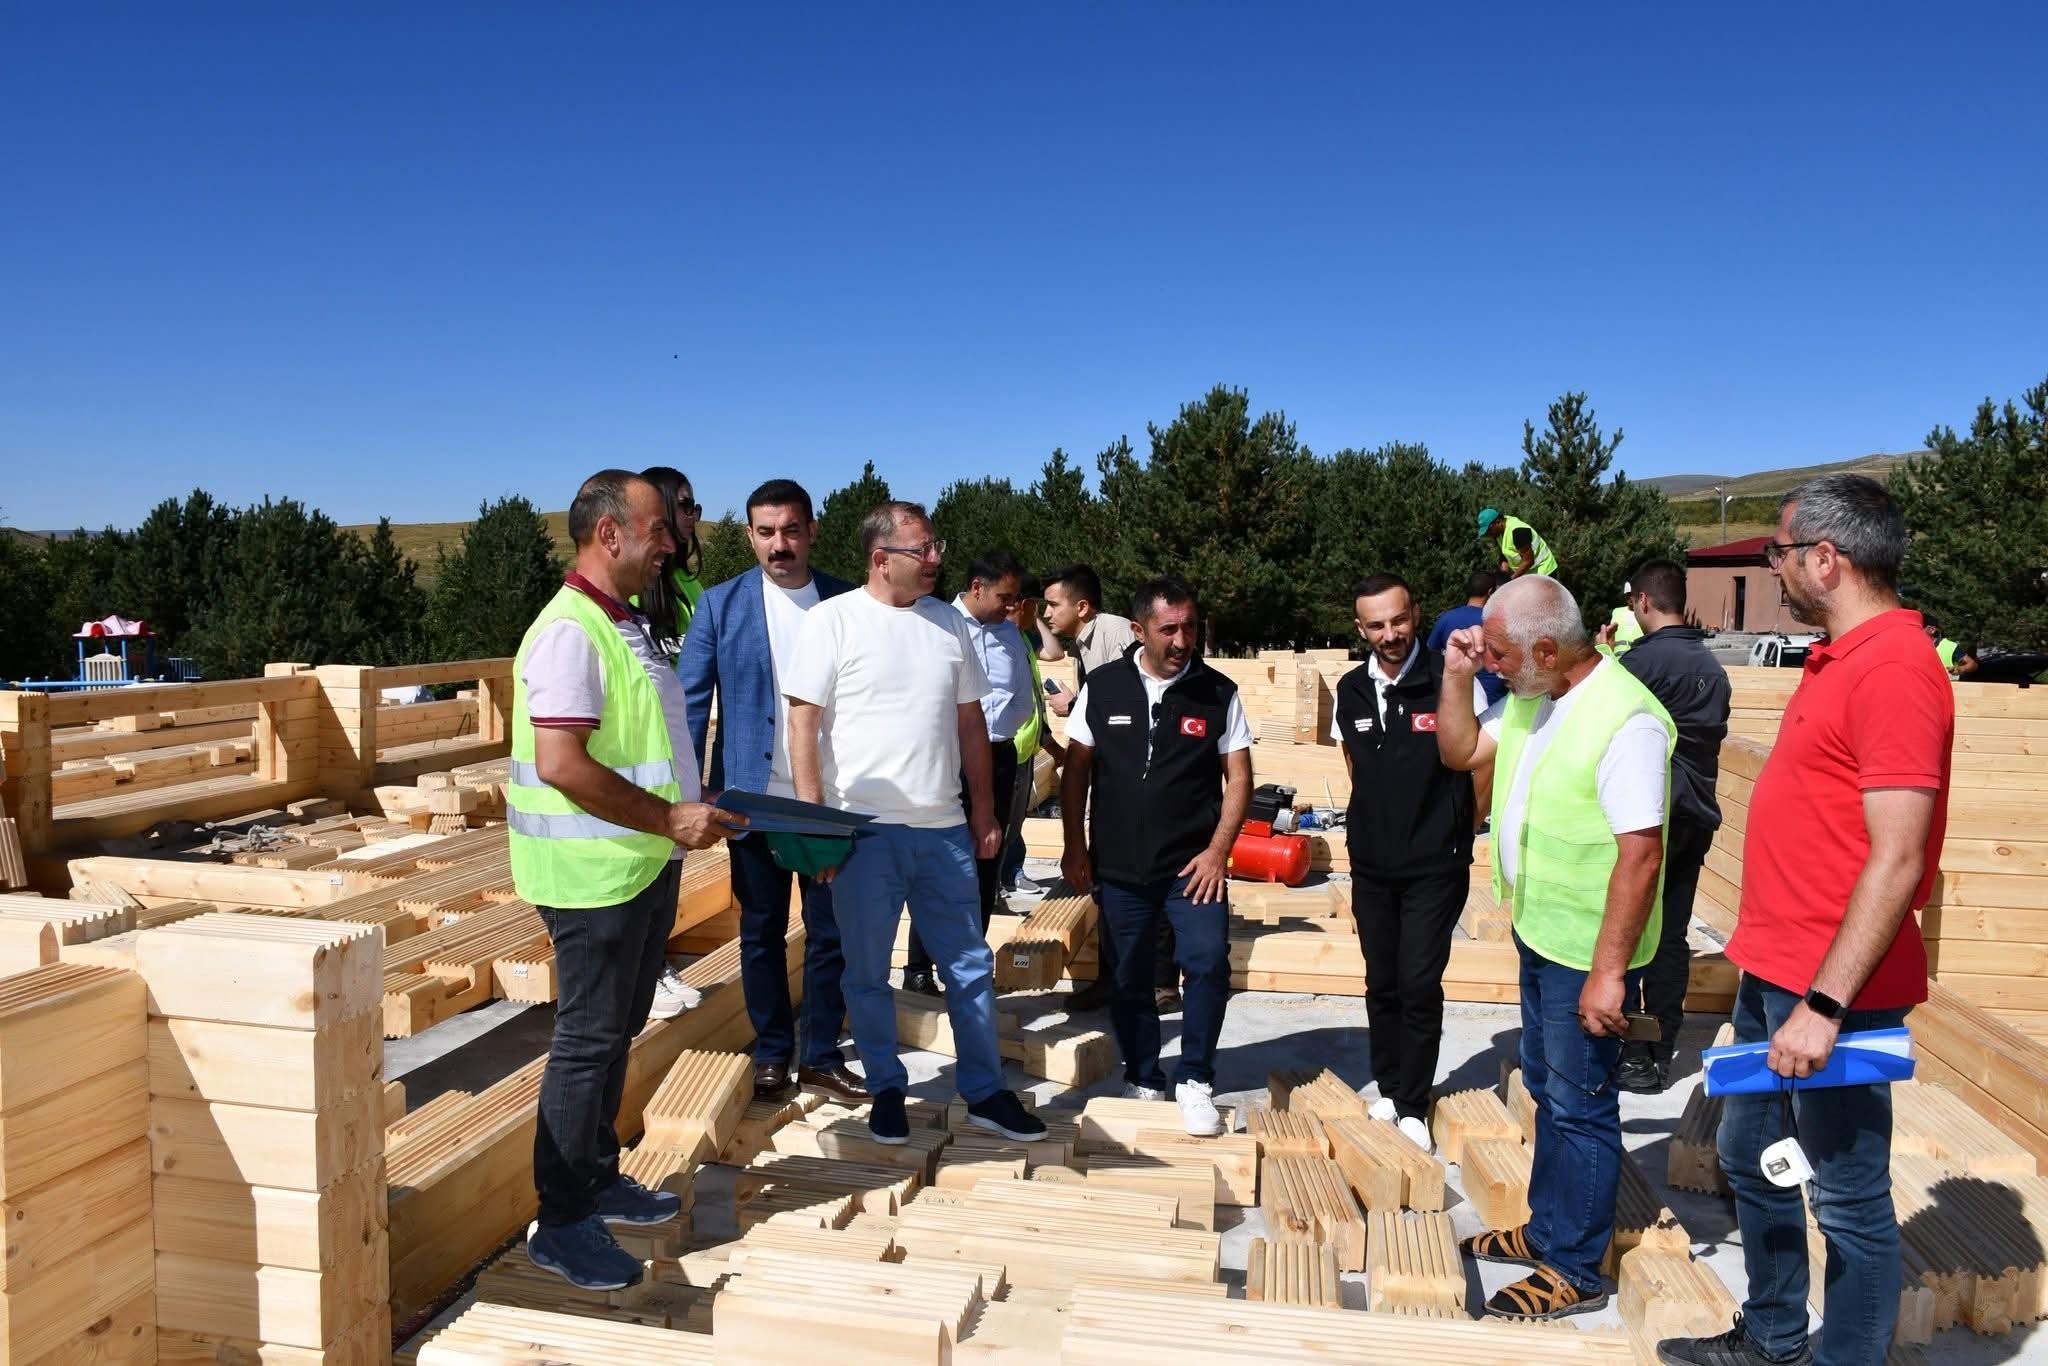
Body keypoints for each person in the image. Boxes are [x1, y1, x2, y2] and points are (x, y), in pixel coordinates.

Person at [1658, 476, 1953, 1366]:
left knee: (1848, 1199)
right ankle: (1777, 1335)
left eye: (1777, 552)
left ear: (1827, 558)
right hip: (1778, 973)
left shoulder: (1898, 670)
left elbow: (1897, 858)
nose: (1772, 568)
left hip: (1836, 992)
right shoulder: (1840, 657)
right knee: (1749, 1155)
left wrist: (1824, 1007)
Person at [509, 470, 746, 1291]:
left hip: (638, 863)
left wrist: (689, 807)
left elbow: (638, 742)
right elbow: (562, 763)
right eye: (656, 531)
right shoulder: (573, 630)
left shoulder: (624, 623)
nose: (670, 545)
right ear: (609, 535)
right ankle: (562, 1219)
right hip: (591, 875)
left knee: (615, 1030)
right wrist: (669, 818)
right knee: (586, 1042)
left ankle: (597, 1175)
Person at [1436, 574, 1674, 1321]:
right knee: (1549, 1088)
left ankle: (1575, 1266)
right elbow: (1460, 749)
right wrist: (1456, 673)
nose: (1494, 664)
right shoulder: (1538, 698)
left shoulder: (1625, 719)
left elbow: (1641, 855)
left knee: (1582, 1106)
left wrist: (1609, 976)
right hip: (1543, 931)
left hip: (1588, 952)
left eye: (1503, 654)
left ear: (1547, 647)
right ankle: (1548, 1228)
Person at [782, 502, 1046, 1147]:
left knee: (970, 967)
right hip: (862, 833)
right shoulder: (831, 623)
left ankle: (984, 1091)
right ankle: (887, 1089)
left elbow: (970, 725)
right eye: (922, 550)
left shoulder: (948, 626)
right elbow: (802, 724)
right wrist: (820, 827)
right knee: (866, 972)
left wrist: (984, 814)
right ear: (881, 558)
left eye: (936, 547)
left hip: (945, 830)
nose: (936, 561)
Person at [677, 478, 868, 1105]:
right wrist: (697, 791)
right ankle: (771, 1051)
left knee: (830, 930)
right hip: (751, 801)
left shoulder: (850, 601)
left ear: (812, 530)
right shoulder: (720, 606)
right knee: (760, 929)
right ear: (750, 535)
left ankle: (820, 1053)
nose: (779, 545)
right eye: (766, 532)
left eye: (790, 530)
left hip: (826, 799)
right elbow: (689, 704)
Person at [1059, 575, 1252, 1137]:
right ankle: (1143, 1074)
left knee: (1207, 962)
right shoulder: (1104, 685)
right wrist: (1074, 843)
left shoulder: (1218, 692)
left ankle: (1195, 1079)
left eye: (1191, 626)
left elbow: (1238, 777)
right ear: (1140, 630)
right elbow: (1076, 772)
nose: (1183, 639)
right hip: (1119, 865)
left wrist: (1219, 852)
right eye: (1170, 629)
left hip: (1192, 867)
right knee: (1129, 975)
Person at [1332, 574, 1487, 1153]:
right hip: (1372, 863)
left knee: (1419, 981)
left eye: (1399, 620)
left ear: (1415, 613)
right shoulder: (1349, 690)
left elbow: (1481, 764)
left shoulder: (1449, 681)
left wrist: (1457, 828)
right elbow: (1356, 765)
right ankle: (1390, 1085)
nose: (1390, 633)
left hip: (1434, 864)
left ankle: (1414, 1103)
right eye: (1376, 625)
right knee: (1382, 980)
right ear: (1361, 629)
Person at [1601, 560, 1730, 1093]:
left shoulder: (1636, 666)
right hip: (1695, 816)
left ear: (1644, 603)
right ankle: (1659, 1051)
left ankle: (1629, 1051)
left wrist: (1606, 657)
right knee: (1672, 934)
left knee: (1628, 933)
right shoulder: (1714, 669)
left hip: (1644, 819)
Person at [903, 550, 1036, 994]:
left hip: (996, 757)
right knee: (935, 863)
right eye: (1005, 596)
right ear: (977, 588)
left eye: (1015, 598)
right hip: (944, 760)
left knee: (985, 858)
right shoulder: (936, 622)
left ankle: (966, 966)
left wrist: (994, 735)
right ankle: (919, 968)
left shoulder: (1011, 635)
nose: (1011, 607)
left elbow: (1021, 694)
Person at [999, 575, 1062, 895]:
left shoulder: (1022, 637)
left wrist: (1032, 616)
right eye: (1038, 606)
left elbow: (1054, 652)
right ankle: (998, 880)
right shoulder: (999, 639)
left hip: (1025, 748)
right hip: (1006, 746)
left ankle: (1011, 873)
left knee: (1015, 821)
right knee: (1002, 822)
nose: (1044, 612)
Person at [1037, 563, 1137, 718]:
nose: (1046, 614)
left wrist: (1073, 707)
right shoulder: (1080, 643)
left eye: (1053, 605)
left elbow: (1127, 704)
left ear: (1082, 607)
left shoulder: (1116, 632)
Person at [638, 466, 705, 658]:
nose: (692, 515)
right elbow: (636, 651)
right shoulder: (633, 582)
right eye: (685, 505)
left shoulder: (686, 577)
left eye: (694, 507)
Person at [1427, 571, 1508, 705]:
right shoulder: (1497, 622)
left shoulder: (1446, 618)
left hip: (1455, 696)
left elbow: (1431, 653)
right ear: (1490, 592)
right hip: (1493, 699)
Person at [1477, 507, 1558, 578]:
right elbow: (1504, 555)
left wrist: (1510, 581)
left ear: (1498, 522)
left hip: (1544, 571)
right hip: (1527, 574)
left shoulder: (1518, 532)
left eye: (1489, 530)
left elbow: (1528, 561)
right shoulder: (1498, 532)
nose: (1488, 533)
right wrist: (1503, 574)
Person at [1602, 582, 1644, 656]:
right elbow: (1611, 638)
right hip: (1618, 661)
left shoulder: (1645, 613)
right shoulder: (1617, 612)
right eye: (1628, 595)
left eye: (1632, 594)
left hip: (1639, 659)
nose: (1630, 597)